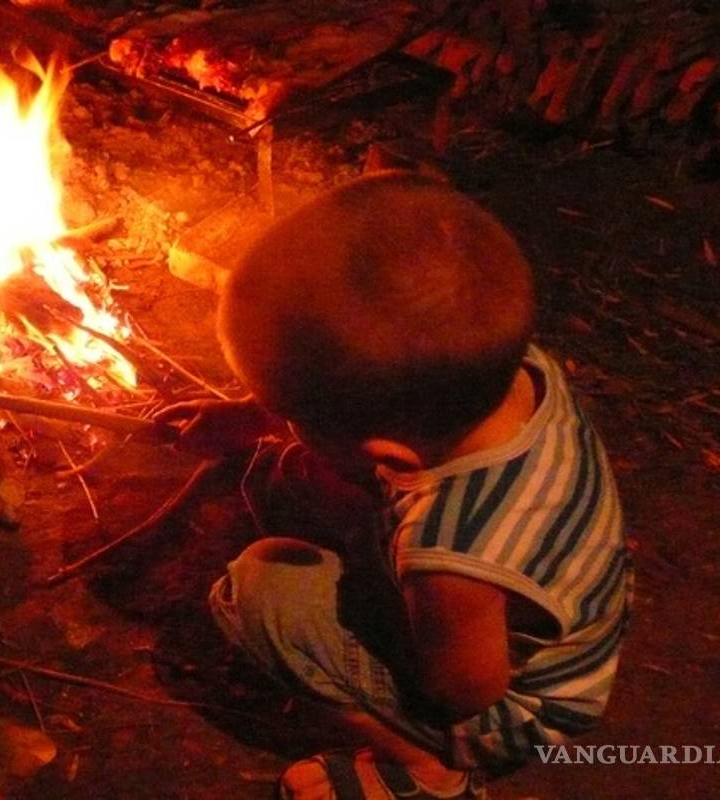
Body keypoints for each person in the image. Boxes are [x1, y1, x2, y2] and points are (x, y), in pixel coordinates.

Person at [157, 172, 632, 799]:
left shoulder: (451, 558)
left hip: (513, 709)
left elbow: (464, 690)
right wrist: (250, 419)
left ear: (388, 453)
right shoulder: (502, 365)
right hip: (559, 599)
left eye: (290, 412)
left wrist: (395, 601)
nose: (283, 421)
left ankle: (430, 769)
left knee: (262, 591)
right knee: (303, 481)